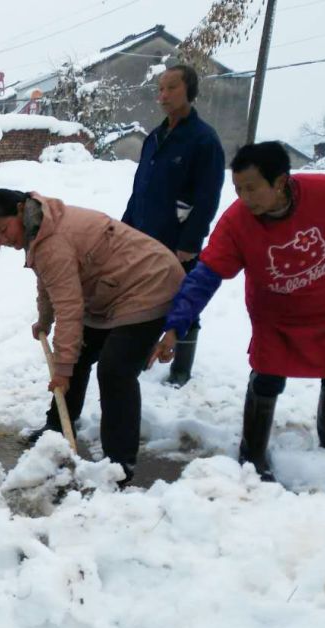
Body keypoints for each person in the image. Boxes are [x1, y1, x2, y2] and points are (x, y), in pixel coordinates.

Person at [149, 142, 325, 482]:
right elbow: (204, 277)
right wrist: (177, 324)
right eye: (238, 189)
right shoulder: (237, 223)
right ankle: (252, 454)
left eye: (252, 188)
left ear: (281, 182)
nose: (245, 198)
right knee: (266, 378)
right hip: (277, 318)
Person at [0, 188, 185, 484]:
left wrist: (61, 370)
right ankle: (57, 430)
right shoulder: (39, 228)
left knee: (115, 371)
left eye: (2, 229)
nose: (2, 239)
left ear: (21, 210)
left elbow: (70, 308)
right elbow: (49, 281)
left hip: (149, 283)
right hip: (112, 288)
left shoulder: (51, 239)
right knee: (77, 355)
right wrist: (45, 320)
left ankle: (119, 464)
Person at [122, 63, 226, 386]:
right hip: (143, 233)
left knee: (184, 298)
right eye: (161, 89)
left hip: (178, 238)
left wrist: (191, 242)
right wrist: (125, 229)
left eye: (171, 88)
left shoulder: (203, 141)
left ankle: (181, 367)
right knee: (142, 296)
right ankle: (142, 354)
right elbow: (140, 186)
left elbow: (208, 197)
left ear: (189, 92)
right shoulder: (154, 137)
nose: (163, 95)